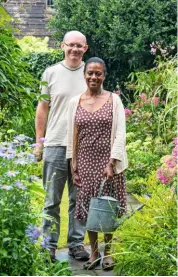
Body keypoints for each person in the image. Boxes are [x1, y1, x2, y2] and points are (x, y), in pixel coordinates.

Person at [66, 57, 128, 270]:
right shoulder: (76, 102)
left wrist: (112, 162)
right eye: (90, 73)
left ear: (104, 75)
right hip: (84, 162)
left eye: (98, 73)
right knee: (88, 208)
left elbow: (120, 132)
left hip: (108, 162)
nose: (94, 77)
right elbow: (71, 136)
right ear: (84, 74)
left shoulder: (113, 100)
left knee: (107, 207)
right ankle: (94, 253)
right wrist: (73, 167)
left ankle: (108, 251)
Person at [34, 30, 90, 262]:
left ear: (85, 48)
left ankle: (76, 244)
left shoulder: (92, 73)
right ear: (63, 46)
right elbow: (42, 108)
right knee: (51, 200)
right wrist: (39, 143)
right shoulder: (50, 73)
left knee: (79, 199)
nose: (75, 49)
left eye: (80, 46)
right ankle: (49, 244)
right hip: (56, 143)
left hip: (84, 147)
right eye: (71, 45)